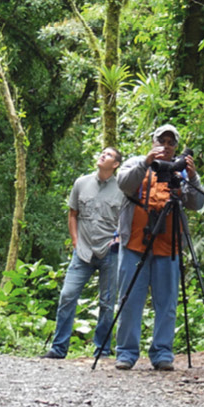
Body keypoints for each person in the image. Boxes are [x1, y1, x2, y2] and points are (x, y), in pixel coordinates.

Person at [111, 124, 204, 370]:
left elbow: (196, 203)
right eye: (161, 140)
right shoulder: (135, 163)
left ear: (176, 146)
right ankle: (126, 353)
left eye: (170, 142)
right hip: (134, 242)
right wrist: (146, 163)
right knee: (130, 298)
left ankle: (162, 353)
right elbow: (123, 184)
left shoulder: (180, 171)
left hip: (170, 244)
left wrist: (192, 176)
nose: (165, 146)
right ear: (153, 141)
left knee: (167, 301)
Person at [42, 146, 125, 360]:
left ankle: (103, 351)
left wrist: (118, 239)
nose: (102, 155)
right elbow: (72, 214)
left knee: (107, 303)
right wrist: (75, 241)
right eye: (102, 153)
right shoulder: (81, 183)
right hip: (83, 252)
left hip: (110, 252)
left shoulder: (123, 189)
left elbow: (127, 220)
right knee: (67, 295)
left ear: (115, 164)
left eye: (108, 155)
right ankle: (59, 348)